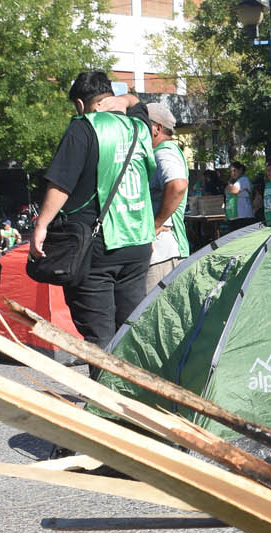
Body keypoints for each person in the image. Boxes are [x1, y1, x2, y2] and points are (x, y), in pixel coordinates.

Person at [32, 70, 157, 359]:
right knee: (129, 331)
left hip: (96, 248)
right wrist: (125, 99)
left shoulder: (83, 127)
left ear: (79, 103)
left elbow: (61, 183)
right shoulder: (138, 126)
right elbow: (139, 104)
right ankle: (132, 399)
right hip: (137, 244)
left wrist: (42, 225)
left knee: (99, 336)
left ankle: (105, 401)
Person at [135, 99, 189, 289]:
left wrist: (155, 225)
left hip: (163, 254)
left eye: (142, 125)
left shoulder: (164, 153)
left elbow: (178, 185)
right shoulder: (157, 153)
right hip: (161, 253)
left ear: (156, 128)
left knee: (156, 314)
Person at [225, 161, 255, 231]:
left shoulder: (244, 179)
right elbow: (226, 191)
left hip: (244, 216)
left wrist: (229, 183)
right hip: (236, 216)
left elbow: (234, 190)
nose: (232, 173)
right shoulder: (236, 182)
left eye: (234, 171)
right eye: (231, 171)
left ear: (241, 169)